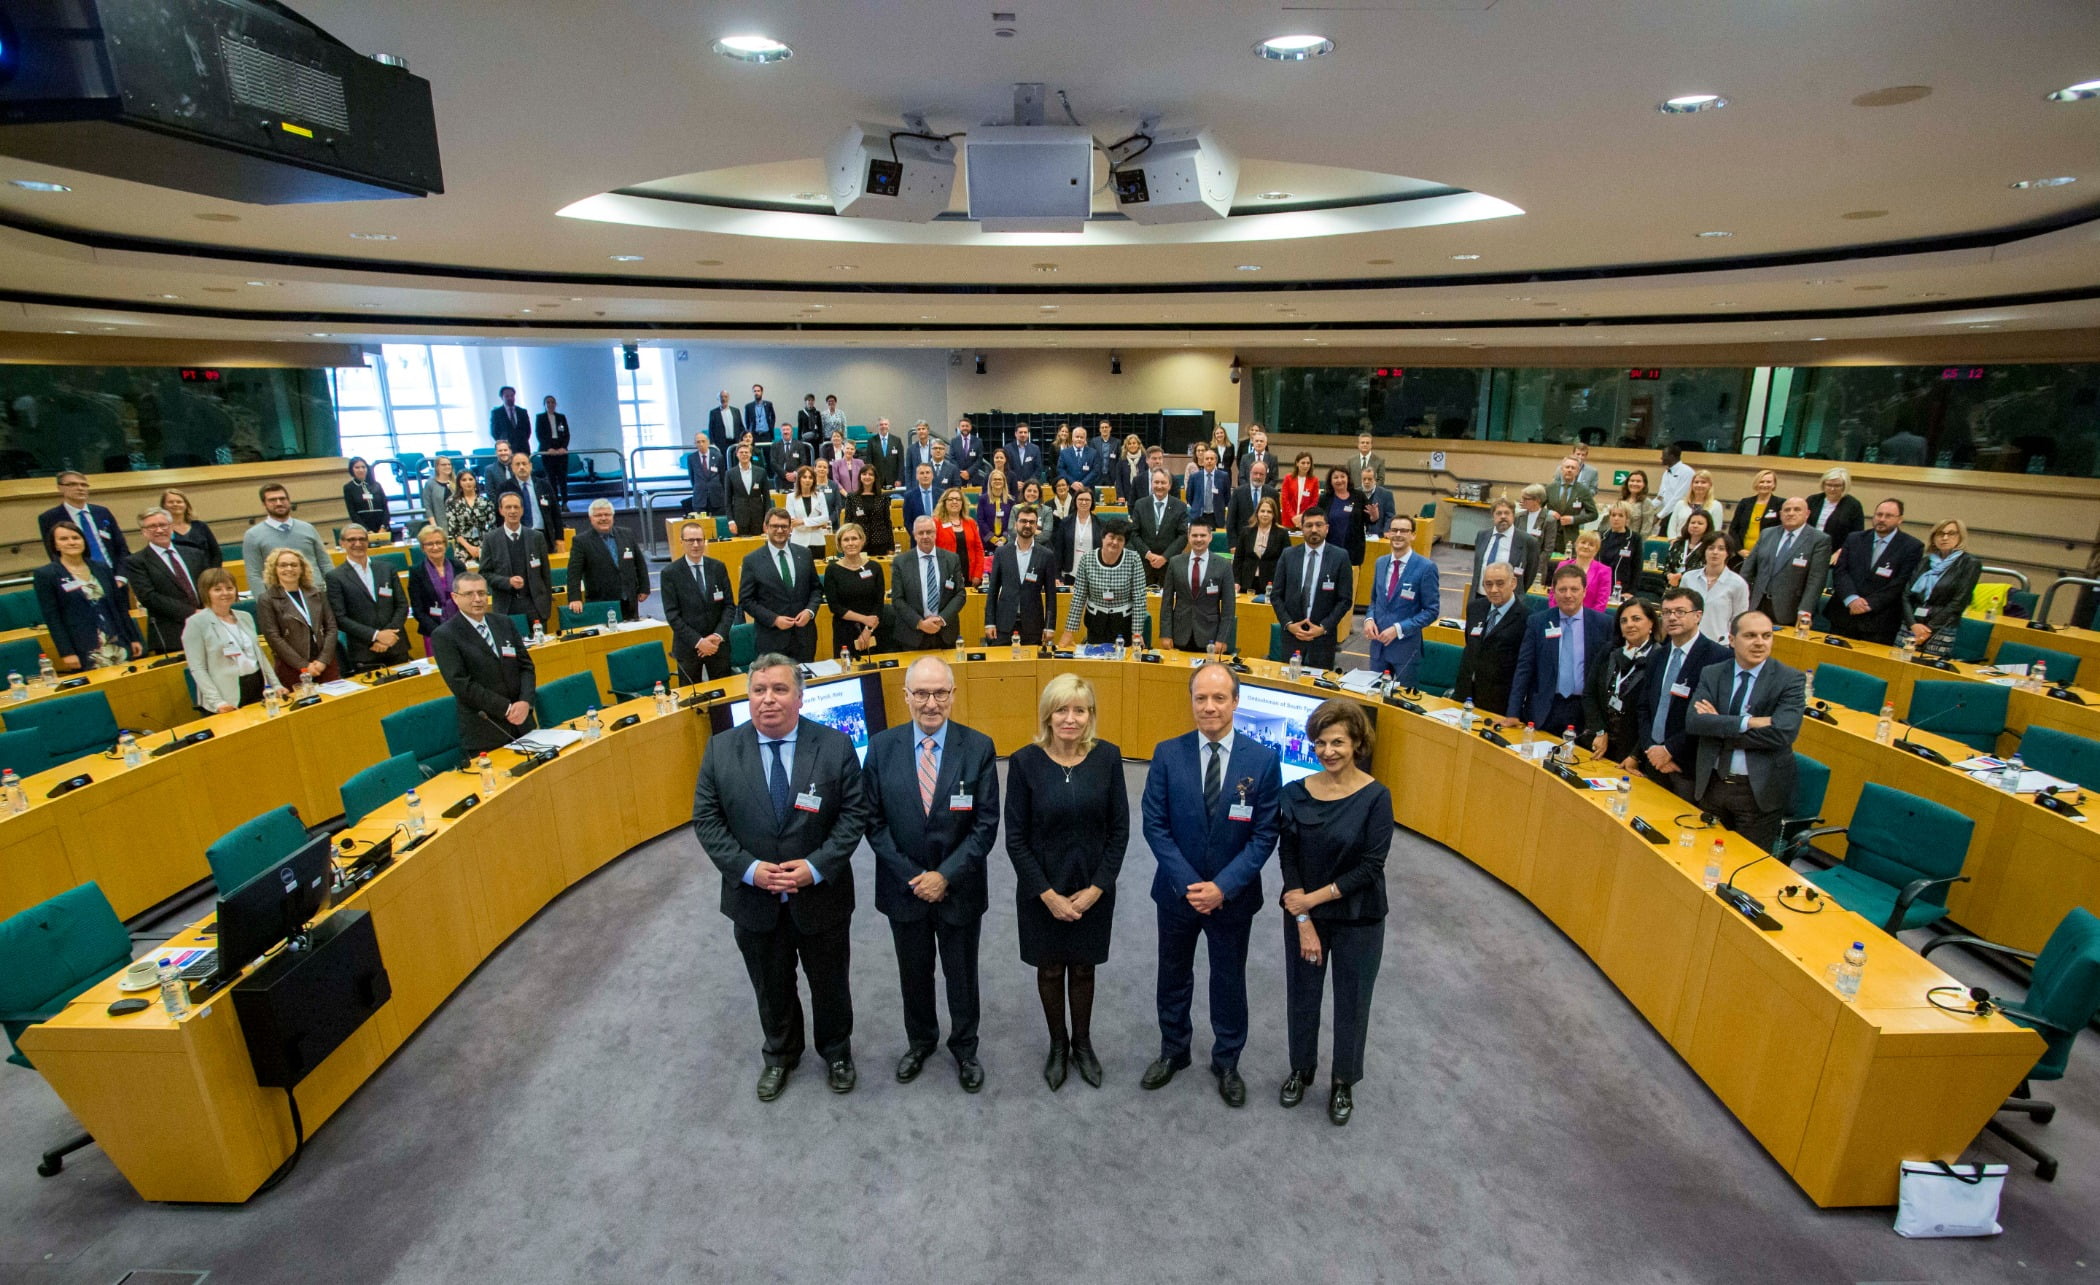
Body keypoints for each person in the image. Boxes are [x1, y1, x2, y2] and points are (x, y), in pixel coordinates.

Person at [692, 656, 869, 1099]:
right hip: (754, 900)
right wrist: (749, 870)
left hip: (821, 897)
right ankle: (780, 1054)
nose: (767, 699)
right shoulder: (720, 749)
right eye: (759, 690)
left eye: (779, 689)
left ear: (800, 697)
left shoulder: (834, 746)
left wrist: (816, 867)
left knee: (830, 982)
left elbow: (854, 814)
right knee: (770, 985)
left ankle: (837, 1052)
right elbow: (707, 821)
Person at [1140, 662, 1283, 1107]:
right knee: (1173, 975)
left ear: (1236, 702)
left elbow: (1264, 835)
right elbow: (1155, 825)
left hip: (1232, 898)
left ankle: (1227, 1061)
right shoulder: (1167, 753)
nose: (1209, 707)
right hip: (1177, 895)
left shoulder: (1262, 761)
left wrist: (1222, 887)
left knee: (1228, 980)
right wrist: (1190, 885)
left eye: (1219, 698)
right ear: (1191, 701)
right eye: (1201, 698)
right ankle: (1174, 1050)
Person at [855, 657, 999, 1090]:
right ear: (906, 696)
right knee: (913, 973)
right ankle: (920, 1042)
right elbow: (873, 822)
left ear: (953, 695)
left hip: (959, 888)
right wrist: (915, 877)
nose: (931, 703)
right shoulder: (881, 747)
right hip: (905, 889)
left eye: (939, 693)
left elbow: (985, 825)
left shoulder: (978, 747)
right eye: (921, 693)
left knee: (962, 975)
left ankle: (965, 1048)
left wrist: (945, 876)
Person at [1006, 674, 1127, 1089]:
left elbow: (1119, 832)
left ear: (1091, 715)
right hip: (1042, 892)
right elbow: (1015, 839)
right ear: (1048, 715)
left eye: (1080, 710)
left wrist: (1096, 890)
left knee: (1084, 969)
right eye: (1061, 710)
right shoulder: (1024, 762)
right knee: (1050, 969)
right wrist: (1048, 896)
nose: (1070, 719)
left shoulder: (1108, 758)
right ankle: (1058, 1045)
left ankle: (1083, 1044)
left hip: (1093, 890)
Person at [1277, 698, 1391, 1126]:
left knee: (1353, 1001)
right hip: (1305, 915)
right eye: (1321, 743)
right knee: (1302, 993)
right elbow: (1288, 857)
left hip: (1360, 917)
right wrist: (1303, 918)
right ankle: (1301, 1069)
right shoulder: (1294, 793)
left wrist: (1311, 900)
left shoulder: (1377, 797)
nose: (1328, 751)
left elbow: (1370, 867)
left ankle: (1343, 1080)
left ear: (1357, 743)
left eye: (1338, 742)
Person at [1685, 611, 1803, 851]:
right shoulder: (1713, 673)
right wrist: (1748, 722)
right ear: (1731, 640)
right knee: (1703, 855)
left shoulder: (1790, 679)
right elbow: (1695, 722)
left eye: (1766, 636)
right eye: (1750, 635)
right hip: (1713, 784)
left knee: (1746, 862)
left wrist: (1719, 726)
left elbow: (1782, 733)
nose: (1760, 642)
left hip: (1757, 792)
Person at [1631, 586, 1729, 798]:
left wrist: (1669, 750)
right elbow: (1644, 707)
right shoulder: (1658, 655)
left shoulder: (1719, 658)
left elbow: (1708, 716)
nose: (1672, 618)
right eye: (1667, 612)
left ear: (1698, 616)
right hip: (1653, 760)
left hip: (1686, 766)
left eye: (1680, 612)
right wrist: (1651, 748)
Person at [433, 571, 536, 753]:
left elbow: (526, 667)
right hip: (486, 730)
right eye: (469, 594)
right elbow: (461, 684)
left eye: (481, 593)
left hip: (523, 722)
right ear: (455, 598)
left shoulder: (504, 623)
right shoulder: (445, 635)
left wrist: (525, 702)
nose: (477, 599)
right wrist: (506, 708)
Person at [1506, 564, 1610, 736]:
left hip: (1585, 712)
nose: (1568, 595)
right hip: (1545, 710)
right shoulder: (1538, 622)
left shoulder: (1603, 624)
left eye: (1574, 589)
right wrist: (1513, 712)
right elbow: (1524, 668)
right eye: (1562, 590)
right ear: (1553, 592)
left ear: (1584, 591)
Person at [34, 521, 142, 671]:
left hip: (117, 641)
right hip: (84, 647)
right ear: (55, 545)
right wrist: (67, 652)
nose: (71, 542)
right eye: (64, 539)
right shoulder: (46, 574)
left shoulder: (101, 568)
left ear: (84, 541)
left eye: (76, 538)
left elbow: (120, 607)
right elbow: (53, 618)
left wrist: (133, 637)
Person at [182, 568, 281, 713]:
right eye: (217, 589)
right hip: (225, 695)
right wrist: (217, 702)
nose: (225, 593)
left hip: (257, 685)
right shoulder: (196, 623)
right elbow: (198, 668)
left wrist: (276, 685)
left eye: (229, 588)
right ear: (206, 592)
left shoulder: (245, 617)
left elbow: (259, 655)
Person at [1827, 499, 1924, 644]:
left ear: (1900, 520)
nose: (1882, 519)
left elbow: (1900, 582)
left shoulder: (1912, 546)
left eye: (1888, 516)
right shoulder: (1854, 538)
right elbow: (1840, 571)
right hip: (1844, 615)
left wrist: (1868, 604)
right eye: (1879, 514)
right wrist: (1852, 599)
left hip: (1880, 621)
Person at [1270, 508, 1352, 670]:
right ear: (1301, 528)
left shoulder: (1340, 557)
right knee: (1289, 682)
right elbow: (1276, 595)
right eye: (1308, 525)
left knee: (1318, 683)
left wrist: (1323, 627)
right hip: (1292, 635)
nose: (1314, 529)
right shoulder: (1288, 555)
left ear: (1327, 528)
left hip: (1323, 638)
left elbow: (1345, 600)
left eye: (1318, 525)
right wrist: (1289, 624)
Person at [1364, 515, 1439, 686]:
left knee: (1403, 698)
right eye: (1394, 530)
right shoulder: (1380, 563)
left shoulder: (1426, 568)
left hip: (1406, 650)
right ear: (1388, 534)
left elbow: (1431, 611)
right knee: (1374, 695)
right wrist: (1369, 619)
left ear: (1413, 535)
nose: (1398, 535)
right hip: (1378, 648)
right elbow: (1374, 601)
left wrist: (1398, 629)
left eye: (1404, 531)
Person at [326, 524, 410, 673]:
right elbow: (340, 618)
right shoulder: (335, 577)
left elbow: (402, 605)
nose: (358, 543)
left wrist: (388, 635)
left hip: (395, 644)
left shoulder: (387, 568)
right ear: (342, 543)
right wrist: (376, 636)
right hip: (365, 651)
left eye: (362, 539)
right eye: (351, 540)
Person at [1583, 597, 1658, 764]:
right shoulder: (1609, 650)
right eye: (1624, 621)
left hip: (1633, 752)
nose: (1629, 624)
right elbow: (1589, 694)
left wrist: (1636, 755)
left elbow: (1655, 715)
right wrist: (1599, 731)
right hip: (1599, 742)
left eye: (1636, 619)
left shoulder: (1659, 658)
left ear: (1651, 623)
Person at [741, 508, 820, 661]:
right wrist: (774, 619)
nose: (779, 530)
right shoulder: (752, 560)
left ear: (790, 529)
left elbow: (816, 589)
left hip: (804, 638)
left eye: (784, 526)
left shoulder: (805, 554)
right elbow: (746, 600)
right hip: (771, 639)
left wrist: (809, 611)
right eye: (774, 526)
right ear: (766, 527)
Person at [1740, 497, 1831, 630]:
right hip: (1757, 604)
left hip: (1790, 610)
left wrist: (1805, 611)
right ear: (1781, 514)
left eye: (1797, 510)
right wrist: (1739, 597)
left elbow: (1816, 580)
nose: (1791, 513)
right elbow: (1747, 569)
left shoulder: (1819, 540)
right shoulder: (1767, 533)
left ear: (1807, 514)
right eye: (1787, 510)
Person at [127, 506, 208, 654]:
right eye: (152, 526)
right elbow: (148, 597)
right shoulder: (137, 561)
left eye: (163, 525)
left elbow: (207, 583)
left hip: (206, 626)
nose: (159, 530)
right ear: (143, 532)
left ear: (171, 527)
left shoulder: (194, 553)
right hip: (171, 634)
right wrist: (192, 612)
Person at [661, 521, 735, 681]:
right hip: (688, 647)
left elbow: (729, 606)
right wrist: (699, 642)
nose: (695, 545)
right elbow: (672, 615)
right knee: (691, 694)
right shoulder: (670, 573)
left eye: (699, 540)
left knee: (723, 693)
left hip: (718, 646)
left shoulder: (718, 567)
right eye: (690, 540)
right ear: (681, 542)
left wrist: (718, 635)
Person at [1059, 519, 1149, 649]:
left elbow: (1139, 599)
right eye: (1111, 537)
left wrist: (1137, 634)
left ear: (1125, 543)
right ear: (1103, 538)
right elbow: (1079, 597)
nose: (1115, 542)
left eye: (1120, 539)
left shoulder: (1134, 559)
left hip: (1123, 623)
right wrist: (1069, 631)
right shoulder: (1087, 559)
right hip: (1095, 622)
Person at [255, 548, 339, 687]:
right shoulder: (267, 599)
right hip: (292, 667)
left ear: (302, 568)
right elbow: (273, 637)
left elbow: (331, 627)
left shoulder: (317, 593)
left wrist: (323, 660)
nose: (289, 569)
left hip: (324, 662)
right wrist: (303, 665)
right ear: (274, 569)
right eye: (283, 565)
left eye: (294, 565)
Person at [1454, 561, 1527, 717]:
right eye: (1488, 584)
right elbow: (1470, 645)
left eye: (1500, 584)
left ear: (1513, 583)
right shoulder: (1475, 608)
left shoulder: (1526, 618)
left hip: (1498, 701)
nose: (1493, 590)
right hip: (1465, 694)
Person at [983, 505, 1058, 648]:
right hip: (1003, 623)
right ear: (1016, 524)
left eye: (1031, 522)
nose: (1027, 525)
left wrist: (1050, 626)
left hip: (1033, 625)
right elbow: (992, 591)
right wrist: (989, 622)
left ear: (1036, 526)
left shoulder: (1046, 555)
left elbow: (1051, 595)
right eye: (1023, 521)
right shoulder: (1001, 553)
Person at [1159, 516, 1237, 653]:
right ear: (1188, 537)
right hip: (1180, 633)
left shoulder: (1223, 565)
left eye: (1203, 535)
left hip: (1210, 635)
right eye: (1194, 535)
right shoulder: (1175, 562)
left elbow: (1228, 607)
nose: (1199, 539)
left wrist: (1222, 638)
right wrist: (1165, 633)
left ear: (1210, 537)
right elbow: (1166, 602)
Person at [1906, 518, 1982, 658]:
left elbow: (1959, 601)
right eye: (1940, 533)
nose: (1945, 538)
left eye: (1951, 533)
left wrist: (1928, 629)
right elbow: (1906, 595)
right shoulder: (1925, 561)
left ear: (1960, 537)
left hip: (1941, 628)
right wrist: (1912, 624)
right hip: (1912, 625)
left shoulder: (1969, 563)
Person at [565, 500, 649, 622]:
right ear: (591, 518)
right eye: (598, 515)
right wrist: (574, 598)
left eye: (607, 514)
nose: (603, 518)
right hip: (601, 602)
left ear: (613, 516)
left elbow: (640, 563)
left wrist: (644, 587)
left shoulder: (627, 534)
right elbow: (573, 573)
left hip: (629, 599)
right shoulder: (581, 541)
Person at [891, 516, 967, 651]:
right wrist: (920, 623)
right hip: (912, 635)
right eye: (921, 533)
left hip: (945, 632)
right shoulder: (900, 562)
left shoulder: (952, 559)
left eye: (929, 532)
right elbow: (897, 599)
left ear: (935, 533)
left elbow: (960, 594)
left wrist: (941, 619)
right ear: (914, 535)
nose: (925, 536)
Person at [481, 493, 555, 626]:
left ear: (522, 510)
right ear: (501, 510)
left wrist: (547, 605)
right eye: (508, 507)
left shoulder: (536, 537)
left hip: (535, 606)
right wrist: (507, 581)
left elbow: (545, 575)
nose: (512, 511)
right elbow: (484, 574)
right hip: (506, 607)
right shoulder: (490, 539)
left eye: (516, 507)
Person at [241, 482, 329, 594]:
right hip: (279, 598)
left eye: (282, 499)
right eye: (272, 500)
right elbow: (254, 574)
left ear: (289, 501)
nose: (279, 503)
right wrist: (263, 601)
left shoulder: (308, 528)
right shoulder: (253, 535)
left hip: (315, 593)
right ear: (264, 504)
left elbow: (325, 563)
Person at [818, 523, 885, 660]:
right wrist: (864, 619)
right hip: (844, 630)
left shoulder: (875, 567)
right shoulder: (832, 570)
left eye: (854, 538)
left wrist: (868, 629)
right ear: (840, 544)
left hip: (872, 629)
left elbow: (879, 603)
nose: (850, 543)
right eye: (846, 540)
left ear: (862, 541)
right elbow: (835, 607)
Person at [408, 525, 464, 655]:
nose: (435, 547)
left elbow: (467, 597)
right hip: (433, 631)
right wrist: (439, 631)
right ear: (423, 547)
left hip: (462, 628)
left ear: (445, 544)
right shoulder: (416, 572)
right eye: (429, 544)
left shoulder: (459, 566)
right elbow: (418, 609)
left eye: (439, 542)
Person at [1132, 467, 1191, 590]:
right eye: (1156, 482)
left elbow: (1183, 536)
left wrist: (1164, 557)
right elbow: (1134, 533)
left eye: (1163, 482)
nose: (1159, 486)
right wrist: (1148, 554)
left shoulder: (1180, 506)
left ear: (1169, 485)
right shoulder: (1140, 504)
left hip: (1170, 565)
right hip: (1145, 565)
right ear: (1151, 484)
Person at [1471, 498, 1539, 596]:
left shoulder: (1528, 541)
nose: (1503, 516)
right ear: (1493, 516)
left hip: (1508, 599)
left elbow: (1529, 575)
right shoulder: (1482, 535)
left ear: (1513, 516)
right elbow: (1477, 567)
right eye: (1499, 513)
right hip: (1480, 595)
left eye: (1507, 513)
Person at [497, 452, 562, 540]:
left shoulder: (544, 485)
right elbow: (500, 516)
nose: (521, 467)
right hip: (517, 536)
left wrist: (559, 538)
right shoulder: (505, 487)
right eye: (517, 464)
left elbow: (555, 512)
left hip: (543, 534)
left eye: (524, 463)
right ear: (512, 467)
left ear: (530, 466)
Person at [1544, 457, 1599, 559]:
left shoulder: (1583, 490)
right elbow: (1538, 509)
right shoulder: (1550, 488)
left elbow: (1594, 514)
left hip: (1570, 537)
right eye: (1567, 467)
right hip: (1549, 535)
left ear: (1577, 471)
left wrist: (1573, 519)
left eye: (1573, 468)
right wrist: (1549, 513)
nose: (1569, 470)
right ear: (1561, 469)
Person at [1234, 494, 1286, 598]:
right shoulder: (1246, 532)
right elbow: (1238, 559)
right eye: (1262, 511)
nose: (1265, 514)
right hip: (1246, 582)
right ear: (1257, 513)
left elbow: (1285, 562)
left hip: (1270, 584)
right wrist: (1236, 581)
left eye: (1269, 512)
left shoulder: (1282, 533)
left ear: (1274, 514)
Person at [1806, 466, 1865, 558]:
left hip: (1836, 553)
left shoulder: (1853, 505)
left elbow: (1857, 535)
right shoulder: (1812, 500)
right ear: (1823, 484)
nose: (1832, 489)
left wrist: (1842, 551)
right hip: (1810, 548)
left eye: (1837, 486)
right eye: (1829, 485)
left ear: (1844, 486)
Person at [933, 487, 987, 584]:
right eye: (950, 499)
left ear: (962, 503)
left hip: (969, 574)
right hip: (945, 575)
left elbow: (979, 550)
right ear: (944, 503)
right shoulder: (936, 523)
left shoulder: (970, 522)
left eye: (958, 499)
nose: (954, 502)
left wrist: (977, 574)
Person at [1554, 528, 1616, 613]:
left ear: (1596, 550)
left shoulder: (1604, 571)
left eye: (1591, 545)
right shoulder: (1562, 565)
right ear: (1576, 545)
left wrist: (1586, 618)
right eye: (1583, 542)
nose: (1586, 546)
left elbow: (1601, 602)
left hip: (1589, 617)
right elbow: (1553, 594)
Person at [160, 487, 220, 569]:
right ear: (164, 506)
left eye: (179, 502)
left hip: (207, 573)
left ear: (186, 505)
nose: (175, 504)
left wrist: (213, 573)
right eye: (171, 502)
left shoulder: (200, 526)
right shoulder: (161, 530)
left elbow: (216, 553)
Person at [842, 465, 894, 557]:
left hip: (880, 543)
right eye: (864, 474)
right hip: (858, 543)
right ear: (860, 476)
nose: (867, 477)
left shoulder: (883, 498)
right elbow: (847, 522)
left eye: (870, 474)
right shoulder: (851, 497)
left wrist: (891, 546)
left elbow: (887, 522)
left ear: (875, 478)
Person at [1662, 470, 1725, 546]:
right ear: (1691, 485)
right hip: (1680, 544)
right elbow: (1672, 526)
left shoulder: (1716, 505)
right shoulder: (1680, 504)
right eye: (1696, 482)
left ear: (1710, 485)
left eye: (1703, 482)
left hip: (1704, 546)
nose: (1699, 485)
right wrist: (1673, 540)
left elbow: (1716, 530)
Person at [1321, 467, 1368, 568]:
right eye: (1335, 477)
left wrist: (1374, 516)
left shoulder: (1359, 496)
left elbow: (1369, 520)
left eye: (1342, 476)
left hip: (1353, 550)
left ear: (1348, 478)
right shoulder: (1324, 499)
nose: (1339, 480)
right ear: (1330, 481)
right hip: (1329, 548)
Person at [1729, 469, 1782, 556]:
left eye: (1768, 482)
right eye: (1761, 482)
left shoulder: (1780, 504)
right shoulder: (1745, 503)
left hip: (1767, 554)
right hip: (1742, 554)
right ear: (1756, 483)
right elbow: (1733, 529)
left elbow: (1781, 531)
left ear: (1774, 484)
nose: (1765, 485)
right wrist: (1739, 549)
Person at [446, 472, 496, 566]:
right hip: (463, 547)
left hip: (485, 546)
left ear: (475, 481)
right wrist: (469, 548)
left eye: (470, 479)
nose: (468, 482)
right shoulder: (452, 502)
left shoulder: (486, 501)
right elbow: (453, 530)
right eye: (464, 480)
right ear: (459, 483)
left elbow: (492, 526)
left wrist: (481, 548)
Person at [1053, 484, 1101, 581]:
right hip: (1069, 573)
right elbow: (1058, 551)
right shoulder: (1065, 523)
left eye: (1087, 500)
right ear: (1075, 501)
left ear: (1092, 502)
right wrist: (1056, 576)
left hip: (1093, 574)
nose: (1084, 502)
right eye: (1080, 499)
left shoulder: (1100, 524)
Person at [1596, 503, 1643, 601]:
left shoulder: (1635, 538)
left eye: (1620, 515)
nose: (1616, 518)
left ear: (1627, 519)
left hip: (1623, 590)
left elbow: (1637, 567)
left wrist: (1631, 592)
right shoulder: (1600, 536)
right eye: (1613, 515)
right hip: (1600, 587)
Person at [727, 439, 770, 537]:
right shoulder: (730, 474)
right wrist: (731, 521)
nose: (744, 454)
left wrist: (767, 520)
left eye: (746, 452)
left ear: (750, 454)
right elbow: (727, 501)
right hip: (739, 519)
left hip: (758, 519)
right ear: (737, 454)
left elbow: (767, 498)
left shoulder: (761, 472)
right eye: (741, 452)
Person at [535, 394, 572, 510]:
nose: (550, 404)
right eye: (548, 402)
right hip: (548, 451)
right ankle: (555, 503)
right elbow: (539, 434)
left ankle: (565, 502)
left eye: (552, 402)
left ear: (556, 404)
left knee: (562, 478)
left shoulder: (561, 417)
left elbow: (566, 434)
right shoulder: (540, 418)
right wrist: (548, 448)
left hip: (561, 450)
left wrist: (563, 447)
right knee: (551, 478)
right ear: (544, 405)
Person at [1663, 510, 1716, 587]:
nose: (1695, 526)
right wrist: (1669, 575)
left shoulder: (1709, 547)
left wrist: (1680, 576)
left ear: (1707, 526)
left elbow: (1702, 568)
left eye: (1700, 523)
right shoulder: (1678, 544)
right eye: (1692, 523)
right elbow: (1667, 564)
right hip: (1672, 584)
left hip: (1696, 587)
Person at [785, 466, 831, 554]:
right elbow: (792, 522)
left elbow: (825, 518)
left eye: (810, 477)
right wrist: (817, 524)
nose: (807, 480)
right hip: (798, 541)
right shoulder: (791, 497)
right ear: (799, 479)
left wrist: (802, 521)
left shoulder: (820, 496)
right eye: (804, 477)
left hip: (817, 541)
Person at [1514, 485, 1553, 585]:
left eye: (1525, 499)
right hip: (1517, 564)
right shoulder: (1518, 517)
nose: (1522, 501)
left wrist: (1535, 565)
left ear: (1537, 500)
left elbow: (1548, 549)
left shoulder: (1549, 520)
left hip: (1537, 566)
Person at [1228, 458, 1276, 540]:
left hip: (1266, 539)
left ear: (1265, 476)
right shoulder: (1238, 492)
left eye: (1261, 474)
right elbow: (1230, 521)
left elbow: (1277, 520)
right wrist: (1233, 544)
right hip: (1242, 539)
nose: (1258, 477)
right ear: (1250, 473)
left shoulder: (1272, 493)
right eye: (1255, 473)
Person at [743, 384, 783, 481]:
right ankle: (756, 477)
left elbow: (773, 417)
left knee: (769, 457)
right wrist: (750, 431)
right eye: (755, 391)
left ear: (762, 392)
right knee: (755, 457)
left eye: (758, 391)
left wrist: (770, 427)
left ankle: (771, 478)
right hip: (755, 435)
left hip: (766, 435)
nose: (756, 393)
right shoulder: (748, 406)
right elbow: (747, 421)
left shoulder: (768, 404)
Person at [343, 457, 390, 533]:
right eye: (357, 467)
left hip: (381, 526)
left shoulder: (377, 485)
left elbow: (385, 507)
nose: (361, 470)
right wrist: (366, 530)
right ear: (351, 470)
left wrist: (384, 526)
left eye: (363, 467)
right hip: (364, 527)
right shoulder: (349, 488)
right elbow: (352, 512)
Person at [685, 432, 726, 516]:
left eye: (703, 441)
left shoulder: (718, 456)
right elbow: (692, 478)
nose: (701, 444)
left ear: (708, 442)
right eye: (698, 442)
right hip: (700, 499)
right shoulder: (691, 458)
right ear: (695, 444)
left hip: (717, 498)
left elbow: (723, 477)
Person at [1616, 469, 1663, 541]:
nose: (1634, 483)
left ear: (1644, 484)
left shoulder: (1646, 503)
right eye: (1632, 481)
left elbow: (1646, 530)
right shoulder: (1622, 499)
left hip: (1633, 541)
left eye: (1638, 481)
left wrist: (1638, 544)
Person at [1279, 452, 1320, 530]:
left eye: (1308, 463)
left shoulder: (1314, 480)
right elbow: (1284, 499)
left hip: (1305, 520)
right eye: (1303, 463)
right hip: (1289, 520)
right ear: (1297, 463)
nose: (1306, 466)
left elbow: (1314, 501)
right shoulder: (1288, 478)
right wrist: (1293, 517)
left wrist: (1302, 516)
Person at [975, 470, 1015, 550]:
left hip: (1006, 541)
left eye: (1000, 479)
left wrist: (1004, 538)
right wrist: (993, 538)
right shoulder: (983, 499)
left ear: (1004, 482)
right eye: (995, 479)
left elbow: (1012, 521)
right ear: (990, 482)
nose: (997, 481)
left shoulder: (1011, 500)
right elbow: (981, 521)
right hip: (987, 541)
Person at [864, 418, 905, 491]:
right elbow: (869, 462)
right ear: (878, 426)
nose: (883, 426)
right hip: (877, 479)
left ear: (889, 426)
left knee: (893, 498)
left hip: (894, 480)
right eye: (881, 424)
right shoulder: (871, 441)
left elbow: (901, 462)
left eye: (886, 424)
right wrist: (871, 478)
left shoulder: (896, 440)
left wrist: (899, 479)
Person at [1655, 443, 1695, 518]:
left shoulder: (1687, 472)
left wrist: (1660, 515)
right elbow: (1661, 496)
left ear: (1672, 457)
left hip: (1680, 514)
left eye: (1664, 455)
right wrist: (1648, 508)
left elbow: (1678, 498)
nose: (1661, 458)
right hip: (1667, 513)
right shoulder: (1666, 473)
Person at [422, 456, 457, 536]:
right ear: (437, 467)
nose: (447, 466)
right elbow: (428, 506)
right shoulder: (430, 484)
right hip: (440, 524)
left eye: (449, 464)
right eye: (444, 465)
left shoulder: (457, 482)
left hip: (458, 524)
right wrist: (434, 525)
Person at [489, 385, 531, 453]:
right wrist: (503, 443)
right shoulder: (496, 413)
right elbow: (494, 432)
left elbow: (528, 430)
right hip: (505, 449)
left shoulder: (522, 411)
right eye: (507, 396)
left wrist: (522, 440)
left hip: (523, 448)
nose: (510, 398)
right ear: (502, 397)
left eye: (512, 396)